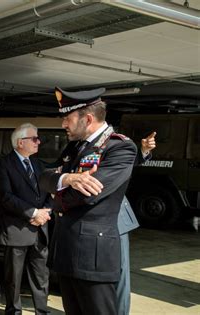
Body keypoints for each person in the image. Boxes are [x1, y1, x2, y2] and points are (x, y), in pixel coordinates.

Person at [38, 86, 138, 315]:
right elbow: (43, 177)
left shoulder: (120, 147)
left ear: (88, 118)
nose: (64, 124)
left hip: (93, 256)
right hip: (66, 249)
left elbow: (87, 196)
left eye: (68, 118)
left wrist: (56, 194)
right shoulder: (74, 146)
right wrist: (67, 177)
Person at [0, 123, 52, 315]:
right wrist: (34, 213)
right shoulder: (3, 164)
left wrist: (45, 212)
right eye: (34, 138)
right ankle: (13, 311)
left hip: (40, 230)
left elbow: (49, 191)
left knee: (41, 276)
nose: (38, 142)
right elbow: (6, 197)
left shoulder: (38, 164)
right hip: (16, 230)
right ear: (20, 142)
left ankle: (42, 311)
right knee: (13, 278)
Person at [116, 131, 156, 315]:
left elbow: (126, 163)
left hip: (116, 221)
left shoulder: (113, 142)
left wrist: (143, 151)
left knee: (121, 272)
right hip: (90, 222)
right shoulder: (80, 145)